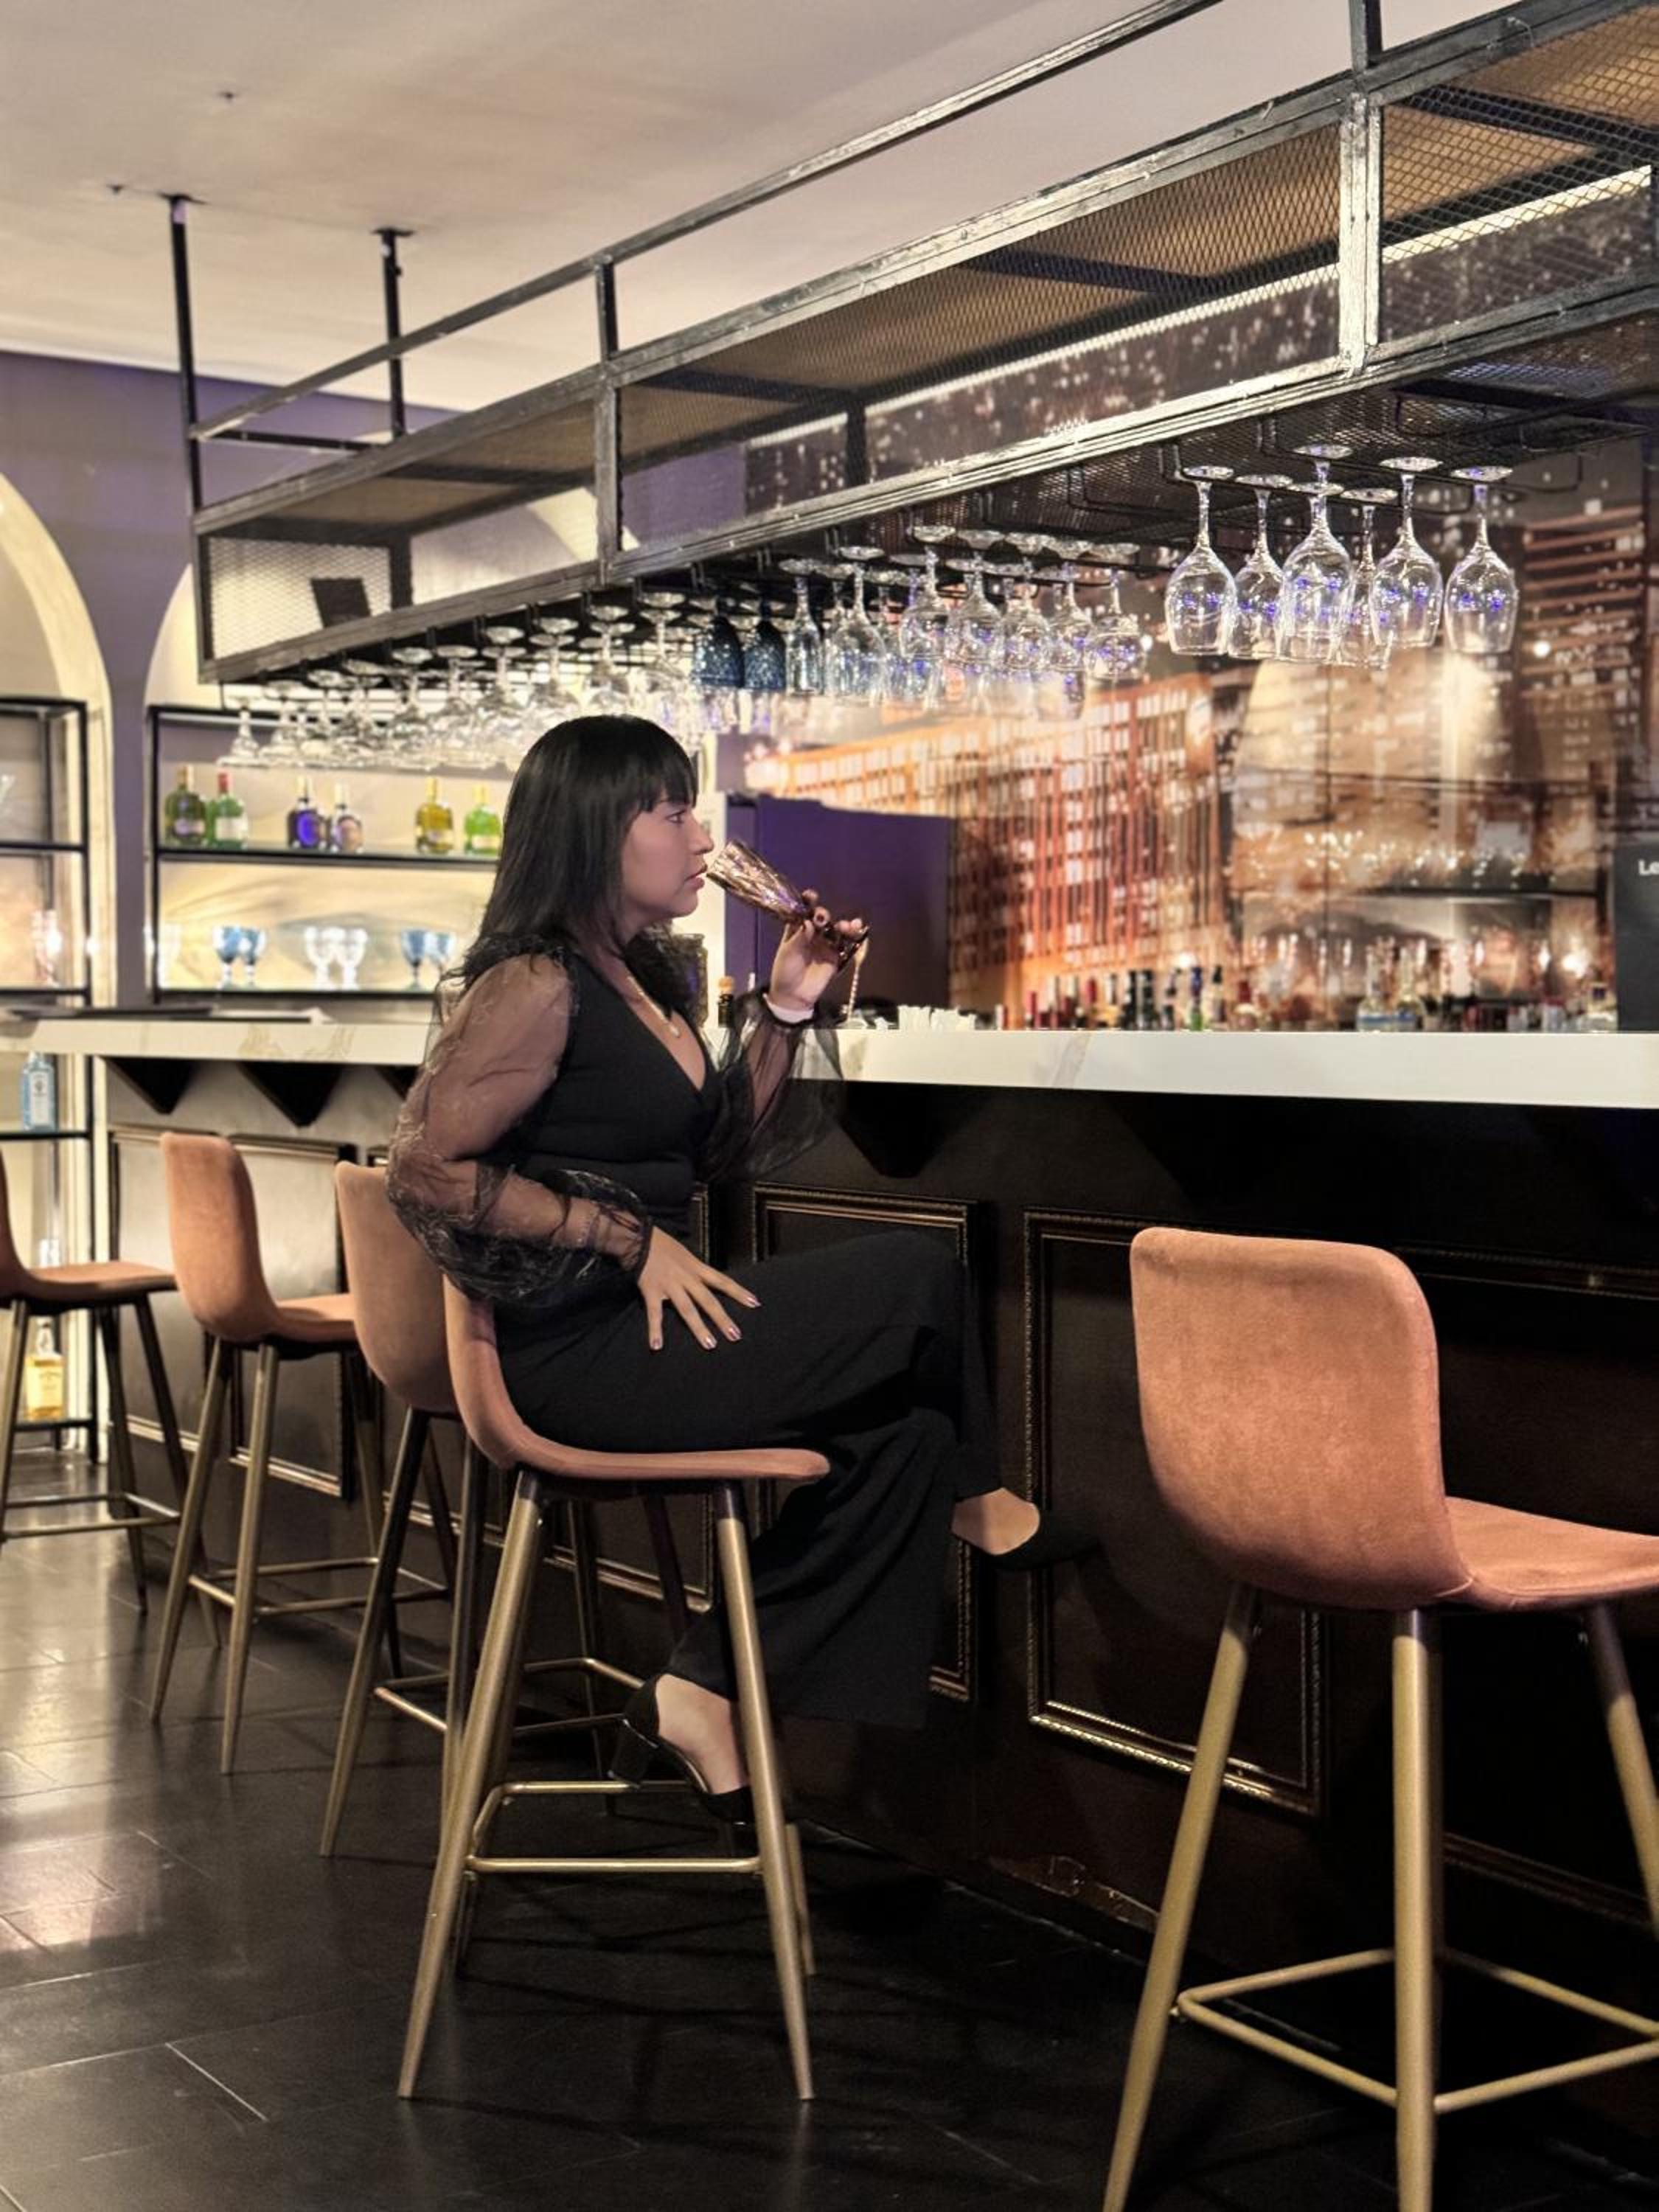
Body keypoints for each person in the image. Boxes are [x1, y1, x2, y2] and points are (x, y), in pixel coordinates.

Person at [386, 714, 1092, 1820]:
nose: (701, 836)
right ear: (597, 828)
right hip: (576, 1354)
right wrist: (623, 1236)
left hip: (649, 1332)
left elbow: (715, 1147)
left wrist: (789, 1003)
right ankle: (982, 1499)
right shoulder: (534, 981)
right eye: (672, 812)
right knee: (917, 1274)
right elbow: (423, 1169)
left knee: (907, 1442)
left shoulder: (643, 973)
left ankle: (701, 1683)